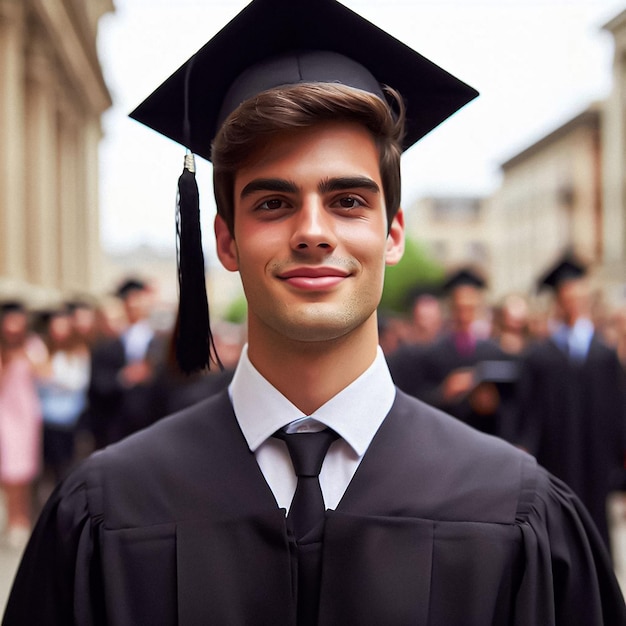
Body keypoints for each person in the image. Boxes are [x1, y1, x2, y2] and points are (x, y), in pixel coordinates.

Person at [4, 0, 626, 623]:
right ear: (225, 241)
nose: (312, 232)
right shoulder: (108, 509)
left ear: (393, 233)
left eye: (348, 200)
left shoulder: (515, 511)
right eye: (273, 203)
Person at [516, 253, 626, 551]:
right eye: (567, 296)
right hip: (556, 458)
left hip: (597, 459)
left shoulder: (604, 355)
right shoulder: (540, 356)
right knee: (557, 528)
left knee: (597, 528)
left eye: (579, 294)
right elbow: (528, 412)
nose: (574, 301)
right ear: (558, 302)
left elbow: (618, 412)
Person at [86, 278, 165, 449]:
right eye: (130, 299)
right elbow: (97, 385)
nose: (135, 305)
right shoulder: (107, 345)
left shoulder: (162, 342)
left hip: (154, 425)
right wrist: (125, 377)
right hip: (116, 428)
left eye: (140, 299)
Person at [0, 302, 43, 550]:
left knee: (25, 469)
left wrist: (28, 358)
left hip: (26, 414)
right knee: (8, 468)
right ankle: (11, 517)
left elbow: (45, 373)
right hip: (5, 413)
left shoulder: (33, 344)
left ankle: (22, 518)